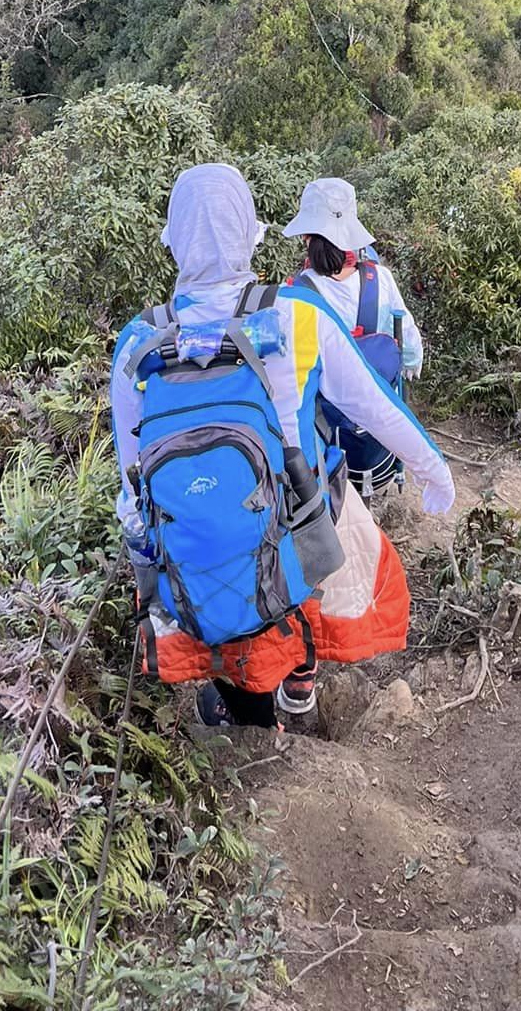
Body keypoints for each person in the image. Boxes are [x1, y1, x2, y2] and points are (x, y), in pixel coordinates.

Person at [111, 162, 454, 729]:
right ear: (250, 234)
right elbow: (375, 406)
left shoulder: (138, 344)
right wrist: (433, 470)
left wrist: (147, 561)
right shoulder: (296, 315)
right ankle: (299, 693)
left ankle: (247, 719)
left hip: (199, 543)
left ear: (172, 243)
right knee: (309, 576)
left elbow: (132, 479)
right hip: (297, 522)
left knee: (221, 588)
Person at [283, 177, 424, 498]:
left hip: (326, 428)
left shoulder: (297, 293)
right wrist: (412, 363)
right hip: (376, 425)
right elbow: (410, 342)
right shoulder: (381, 280)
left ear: (306, 236)